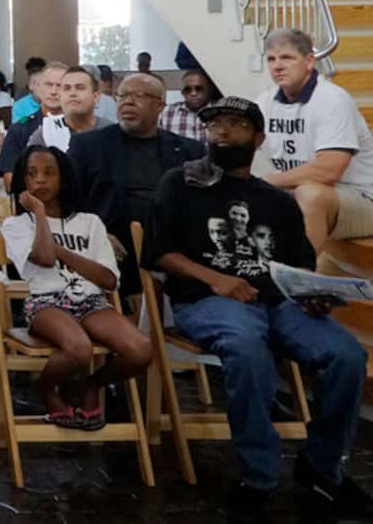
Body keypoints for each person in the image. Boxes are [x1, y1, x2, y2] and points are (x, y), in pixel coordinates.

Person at [144, 96, 372, 520]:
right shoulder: (180, 182)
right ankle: (258, 475)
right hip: (207, 297)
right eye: (215, 125)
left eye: (235, 124)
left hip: (279, 302)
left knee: (347, 355)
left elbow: (300, 264)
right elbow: (158, 252)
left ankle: (322, 469)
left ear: (259, 138)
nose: (223, 132)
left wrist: (312, 292)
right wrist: (216, 279)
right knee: (246, 349)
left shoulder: (277, 200)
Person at [0, 146, 150, 429]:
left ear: (64, 179)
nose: (40, 180)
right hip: (46, 303)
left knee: (141, 350)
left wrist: (61, 251)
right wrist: (40, 214)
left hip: (93, 303)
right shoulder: (16, 224)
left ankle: (91, 386)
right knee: (78, 349)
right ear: (23, 182)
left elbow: (108, 280)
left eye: (49, 173)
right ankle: (44, 388)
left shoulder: (90, 222)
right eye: (31, 175)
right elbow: (43, 259)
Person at [68, 72, 204, 297]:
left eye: (139, 95)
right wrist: (95, 233)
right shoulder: (89, 146)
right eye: (122, 96)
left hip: (170, 246)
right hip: (111, 244)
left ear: (160, 105)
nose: (128, 102)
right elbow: (67, 199)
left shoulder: (189, 150)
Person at [256, 28, 373, 251]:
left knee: (309, 193)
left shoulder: (332, 99)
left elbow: (328, 171)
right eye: (271, 59)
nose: (277, 65)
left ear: (310, 61)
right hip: (314, 195)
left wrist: (264, 182)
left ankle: (301, 277)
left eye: (287, 57)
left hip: (364, 197)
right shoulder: (265, 101)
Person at [0, 62, 66, 191]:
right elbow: (10, 181)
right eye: (49, 85)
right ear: (38, 87)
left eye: (60, 86)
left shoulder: (80, 128)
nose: (54, 91)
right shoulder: (19, 129)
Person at [27, 64, 112, 152]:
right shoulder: (45, 134)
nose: (72, 93)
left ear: (96, 96)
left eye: (80, 88)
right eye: (66, 88)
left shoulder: (112, 132)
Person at [160, 67, 220, 142]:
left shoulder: (219, 112)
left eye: (199, 89)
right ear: (183, 93)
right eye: (188, 90)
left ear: (209, 90)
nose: (193, 93)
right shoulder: (167, 112)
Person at [12, 56, 47, 123]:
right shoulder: (19, 104)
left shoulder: (53, 101)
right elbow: (19, 124)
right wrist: (31, 118)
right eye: (38, 84)